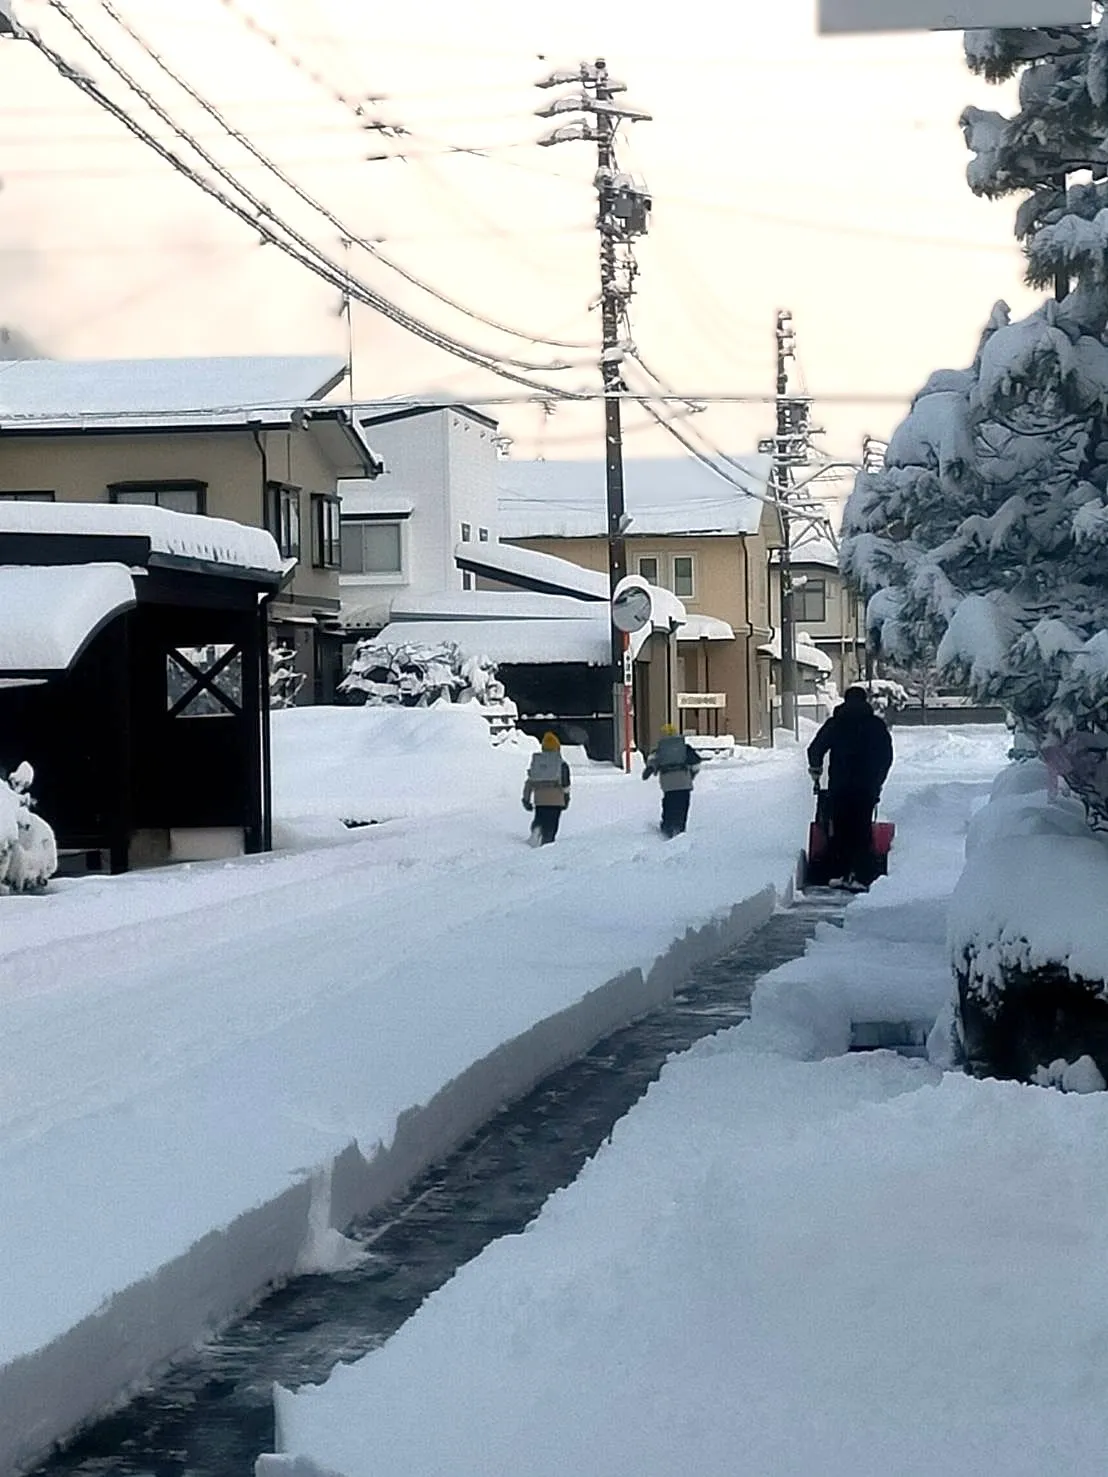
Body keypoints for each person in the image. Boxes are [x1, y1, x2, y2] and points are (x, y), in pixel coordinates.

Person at [806, 685, 893, 891]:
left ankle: (840, 872)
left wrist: (816, 770)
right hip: (866, 787)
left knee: (841, 829)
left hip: (840, 786)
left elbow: (815, 748)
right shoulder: (876, 726)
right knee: (862, 829)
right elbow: (886, 756)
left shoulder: (836, 723)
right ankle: (862, 876)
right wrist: (878, 780)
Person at [643, 723, 703, 838]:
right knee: (682, 805)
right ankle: (680, 827)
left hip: (668, 783)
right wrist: (691, 775)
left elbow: (652, 762)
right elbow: (696, 763)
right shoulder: (685, 748)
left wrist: (650, 770)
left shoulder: (659, 750)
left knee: (669, 803)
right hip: (684, 782)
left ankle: (668, 826)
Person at [522, 732, 571, 846]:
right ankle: (547, 842)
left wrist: (526, 799)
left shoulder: (537, 763)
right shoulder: (561, 764)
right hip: (556, 801)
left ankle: (537, 829)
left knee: (540, 817)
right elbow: (565, 784)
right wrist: (566, 798)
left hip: (539, 800)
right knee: (551, 824)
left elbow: (529, 783)